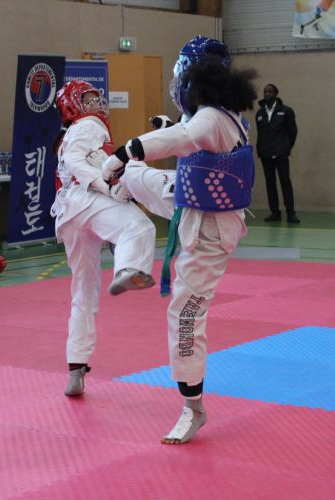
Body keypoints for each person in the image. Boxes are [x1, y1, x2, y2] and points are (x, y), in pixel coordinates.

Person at [101, 35, 257, 444]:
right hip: (190, 200)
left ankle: (194, 408)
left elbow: (188, 139)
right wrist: (162, 135)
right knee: (136, 177)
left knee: (185, 314)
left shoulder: (211, 118)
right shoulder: (219, 114)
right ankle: (120, 204)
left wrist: (126, 150)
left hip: (209, 229)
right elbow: (188, 136)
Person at [51, 79, 157, 397]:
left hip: (68, 215)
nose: (96, 104)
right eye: (88, 99)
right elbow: (77, 163)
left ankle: (76, 367)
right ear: (72, 105)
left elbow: (84, 162)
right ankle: (127, 269)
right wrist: (106, 186)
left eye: (98, 98)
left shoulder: (71, 134)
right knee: (139, 227)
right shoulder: (89, 124)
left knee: (83, 292)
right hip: (85, 200)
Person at [256, 84, 300, 223]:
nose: (267, 94)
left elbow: (293, 132)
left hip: (281, 153)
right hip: (266, 154)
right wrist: (261, 149)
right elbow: (260, 133)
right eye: (265, 92)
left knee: (285, 182)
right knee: (270, 184)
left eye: (270, 92)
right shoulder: (260, 113)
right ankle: (275, 212)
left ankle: (291, 213)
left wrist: (285, 147)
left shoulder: (286, 111)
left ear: (276, 94)